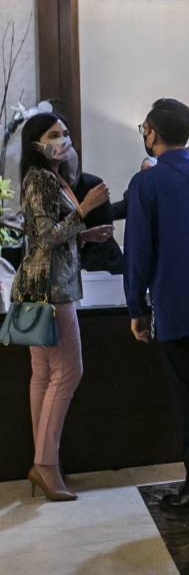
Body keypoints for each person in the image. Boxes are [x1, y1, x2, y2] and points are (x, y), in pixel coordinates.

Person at [124, 98, 189, 511]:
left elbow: (138, 251)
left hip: (176, 304)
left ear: (152, 131)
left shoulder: (146, 184)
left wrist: (136, 307)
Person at [14, 112, 112, 501]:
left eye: (66, 132)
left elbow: (50, 236)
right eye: (55, 135)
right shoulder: (40, 178)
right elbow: (44, 236)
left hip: (43, 284)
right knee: (69, 371)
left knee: (43, 374)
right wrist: (85, 209)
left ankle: (44, 461)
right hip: (52, 289)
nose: (64, 139)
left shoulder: (50, 178)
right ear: (37, 143)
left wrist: (84, 234)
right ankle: (45, 465)